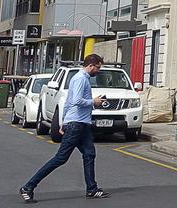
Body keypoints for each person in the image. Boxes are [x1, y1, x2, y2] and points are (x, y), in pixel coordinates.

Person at [20, 54, 110, 202]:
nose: (98, 71)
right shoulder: (81, 79)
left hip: (79, 123)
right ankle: (28, 187)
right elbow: (76, 101)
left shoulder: (80, 78)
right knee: (60, 158)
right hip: (76, 125)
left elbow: (68, 102)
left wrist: (63, 122)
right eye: (98, 67)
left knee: (89, 154)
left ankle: (92, 189)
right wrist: (94, 102)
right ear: (91, 65)